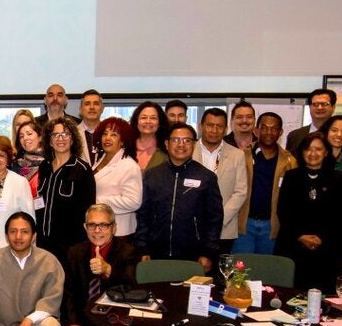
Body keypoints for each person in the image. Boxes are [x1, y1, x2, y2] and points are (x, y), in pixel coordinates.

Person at [54, 203, 140, 326]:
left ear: (114, 228)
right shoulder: (75, 252)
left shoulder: (127, 252)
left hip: (115, 320)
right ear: (85, 227)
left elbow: (131, 288)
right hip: (85, 319)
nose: (97, 230)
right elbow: (68, 293)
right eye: (92, 225)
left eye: (104, 225)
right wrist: (72, 324)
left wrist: (108, 270)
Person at [134, 122, 222, 272]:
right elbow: (143, 215)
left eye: (187, 140)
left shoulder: (206, 177)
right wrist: (143, 248)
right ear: (167, 144)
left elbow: (215, 219)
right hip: (156, 253)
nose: (181, 144)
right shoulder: (152, 175)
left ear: (193, 145)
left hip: (193, 255)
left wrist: (208, 252)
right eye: (176, 140)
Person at [274, 131, 342, 293]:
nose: (312, 153)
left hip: (327, 249)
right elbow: (284, 211)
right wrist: (301, 236)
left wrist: (321, 237)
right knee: (292, 295)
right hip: (294, 246)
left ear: (326, 152)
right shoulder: (291, 177)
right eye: (308, 149)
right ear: (302, 152)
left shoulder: (339, 179)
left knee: (325, 299)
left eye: (318, 149)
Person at [234, 111, 297, 255]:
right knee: (240, 272)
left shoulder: (290, 162)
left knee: (267, 271)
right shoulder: (241, 156)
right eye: (264, 127)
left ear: (280, 132)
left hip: (272, 225)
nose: (269, 132)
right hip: (244, 223)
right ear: (256, 130)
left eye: (274, 128)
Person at [35, 116, 96, 263]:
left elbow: (89, 209)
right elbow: (39, 201)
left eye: (66, 134)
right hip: (44, 242)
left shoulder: (82, 169)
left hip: (71, 245)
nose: (61, 138)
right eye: (55, 134)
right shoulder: (45, 166)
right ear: (49, 140)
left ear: (73, 139)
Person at [196, 108, 249, 255]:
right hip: (191, 227)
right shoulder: (188, 151)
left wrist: (218, 219)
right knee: (191, 275)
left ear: (226, 129)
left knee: (220, 274)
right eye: (210, 125)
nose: (214, 130)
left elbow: (241, 192)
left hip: (224, 228)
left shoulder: (237, 155)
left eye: (219, 126)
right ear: (201, 126)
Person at [0, 135, 36, 258]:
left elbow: (29, 218)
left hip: (6, 242)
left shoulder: (19, 182)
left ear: (8, 159)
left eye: (1, 155)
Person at [91, 117, 143, 237]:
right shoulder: (101, 158)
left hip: (120, 232)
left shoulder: (129, 166)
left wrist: (98, 201)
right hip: (100, 228)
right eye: (105, 134)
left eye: (114, 135)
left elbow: (133, 202)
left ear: (123, 140)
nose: (107, 138)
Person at [286, 87, 337, 155]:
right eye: (315, 104)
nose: (319, 107)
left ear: (333, 107)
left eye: (324, 104)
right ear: (310, 107)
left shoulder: (340, 135)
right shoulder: (294, 136)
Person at [131, 101, 168, 172]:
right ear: (136, 121)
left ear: (160, 122)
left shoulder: (166, 150)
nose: (148, 121)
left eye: (153, 118)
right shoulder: (125, 148)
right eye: (144, 118)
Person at [78, 89, 105, 162]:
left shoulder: (112, 134)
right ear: (80, 109)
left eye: (96, 103)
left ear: (102, 108)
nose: (92, 107)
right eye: (87, 104)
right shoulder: (72, 134)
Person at [14, 120, 44, 185]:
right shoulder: (15, 165)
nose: (25, 138)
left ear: (40, 137)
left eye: (29, 134)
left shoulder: (50, 163)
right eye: (21, 136)